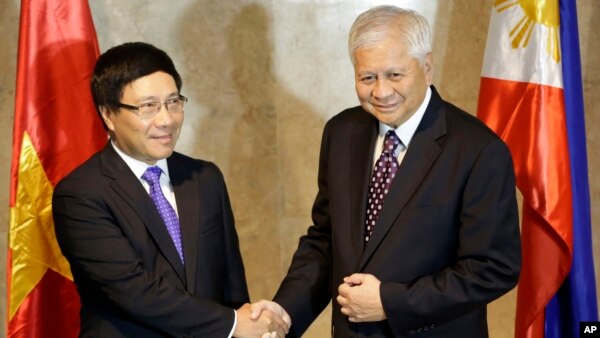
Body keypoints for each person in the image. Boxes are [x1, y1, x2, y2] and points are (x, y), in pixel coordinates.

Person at [258, 5, 521, 337]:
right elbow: (326, 240)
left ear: (427, 67)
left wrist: (390, 302)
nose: (380, 92)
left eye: (395, 75)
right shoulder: (341, 132)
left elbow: (494, 268)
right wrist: (285, 312)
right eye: (367, 77)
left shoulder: (479, 150)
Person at [52, 42, 290, 338]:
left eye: (173, 102)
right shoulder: (81, 194)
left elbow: (230, 283)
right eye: (148, 106)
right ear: (108, 115)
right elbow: (133, 290)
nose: (166, 120)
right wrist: (231, 324)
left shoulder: (205, 178)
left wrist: (247, 321)